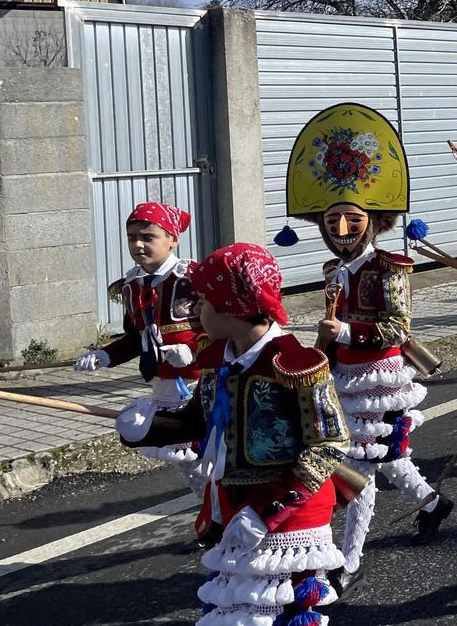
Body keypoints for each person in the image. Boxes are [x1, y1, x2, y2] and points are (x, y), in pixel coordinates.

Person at [118, 242, 350, 626]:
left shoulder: (295, 365)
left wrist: (266, 511)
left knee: (280, 611)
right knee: (236, 611)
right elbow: (199, 421)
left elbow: (327, 446)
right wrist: (145, 429)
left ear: (235, 308)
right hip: (232, 501)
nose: (195, 310)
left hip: (289, 512)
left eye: (204, 300)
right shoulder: (215, 356)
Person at [273, 103, 450, 594]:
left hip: (379, 379)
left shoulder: (391, 268)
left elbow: (397, 327)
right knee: (384, 459)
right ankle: (434, 503)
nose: (342, 231)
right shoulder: (332, 273)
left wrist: (348, 334)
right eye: (333, 222)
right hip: (341, 379)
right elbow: (330, 333)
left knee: (361, 466)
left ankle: (348, 560)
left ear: (374, 221)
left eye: (352, 220)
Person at [74, 202, 203, 477]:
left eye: (148, 237)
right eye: (132, 238)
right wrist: (106, 355)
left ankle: (220, 512)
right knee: (188, 466)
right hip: (164, 384)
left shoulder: (193, 278)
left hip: (200, 380)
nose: (138, 245)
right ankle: (211, 512)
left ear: (173, 240)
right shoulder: (132, 286)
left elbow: (222, 330)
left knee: (207, 456)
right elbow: (136, 338)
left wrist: (192, 351)